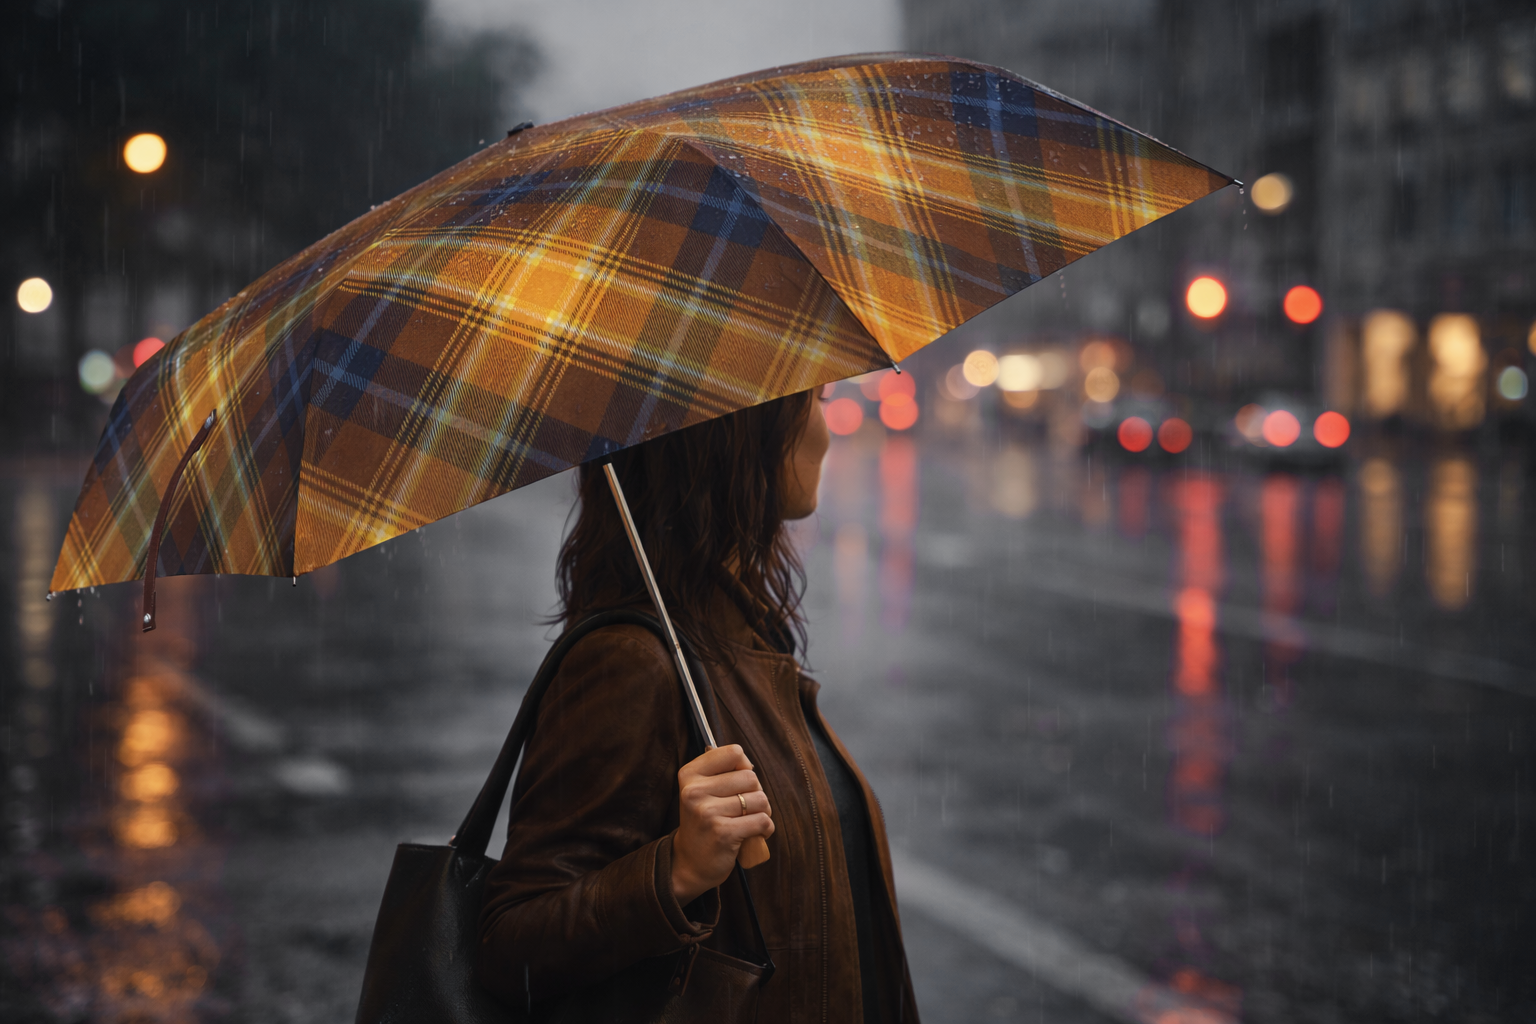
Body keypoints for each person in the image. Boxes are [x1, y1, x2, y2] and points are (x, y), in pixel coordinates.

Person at [477, 389, 920, 1022]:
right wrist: (676, 872)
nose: (826, 431)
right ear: (739, 435)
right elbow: (510, 945)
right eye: (816, 400)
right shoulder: (632, 661)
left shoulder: (740, 634)